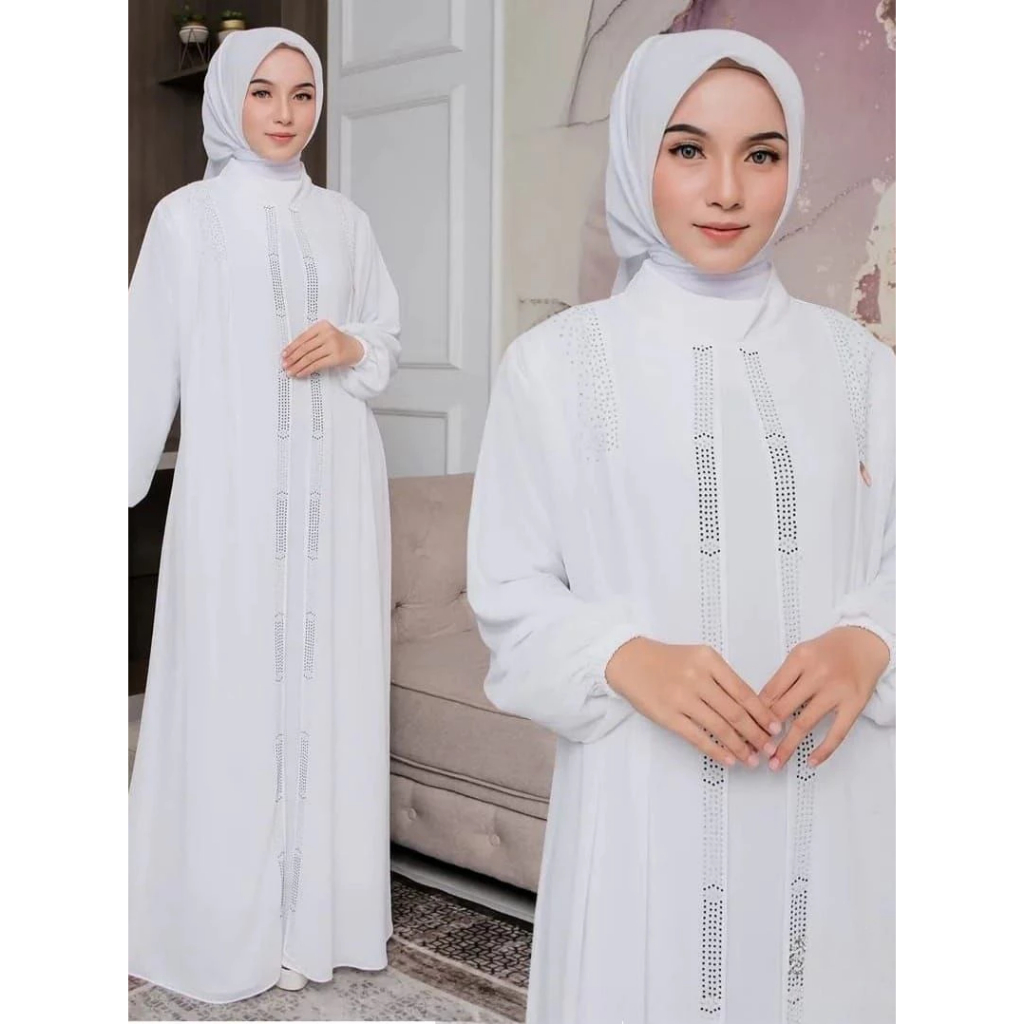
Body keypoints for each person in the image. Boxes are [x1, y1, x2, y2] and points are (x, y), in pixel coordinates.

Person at [467, 30, 894, 1024]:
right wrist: (623, 656)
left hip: (836, 796)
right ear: (635, 156)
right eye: (688, 148)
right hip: (642, 799)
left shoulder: (860, 366)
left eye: (761, 154)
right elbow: (510, 589)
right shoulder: (555, 366)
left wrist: (871, 636)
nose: (727, 190)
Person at [128, 28, 399, 1003]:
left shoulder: (345, 222)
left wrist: (351, 343)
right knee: (229, 688)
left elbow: (384, 336)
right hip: (234, 494)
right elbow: (143, 360)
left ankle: (316, 920)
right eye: (263, 93)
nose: (286, 114)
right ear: (229, 101)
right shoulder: (184, 219)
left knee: (326, 688)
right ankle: (213, 924)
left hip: (337, 494)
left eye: (302, 94)